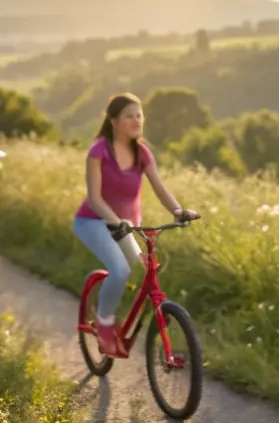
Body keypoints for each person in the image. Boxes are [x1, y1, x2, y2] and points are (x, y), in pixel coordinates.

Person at [74, 93, 197, 356]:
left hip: (125, 225)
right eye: (129, 115)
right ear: (114, 121)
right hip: (93, 220)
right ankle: (105, 323)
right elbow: (95, 199)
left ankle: (126, 314)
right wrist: (115, 222)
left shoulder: (142, 153)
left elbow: (160, 189)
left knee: (145, 265)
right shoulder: (99, 151)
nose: (136, 120)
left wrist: (178, 211)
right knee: (120, 271)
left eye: (139, 115)